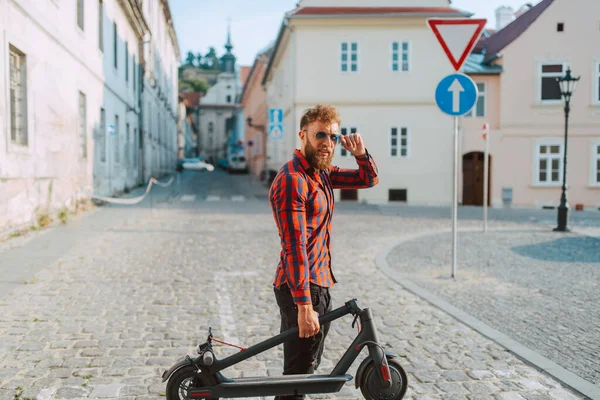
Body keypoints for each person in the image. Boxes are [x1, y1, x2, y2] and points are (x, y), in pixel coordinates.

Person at [268, 104, 379, 400]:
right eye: (320, 135)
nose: (327, 143)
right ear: (303, 134)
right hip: (302, 290)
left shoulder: (321, 173)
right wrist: (305, 306)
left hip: (317, 284)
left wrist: (360, 156)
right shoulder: (295, 179)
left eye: (332, 137)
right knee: (298, 378)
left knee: (301, 373)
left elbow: (367, 180)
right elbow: (295, 248)